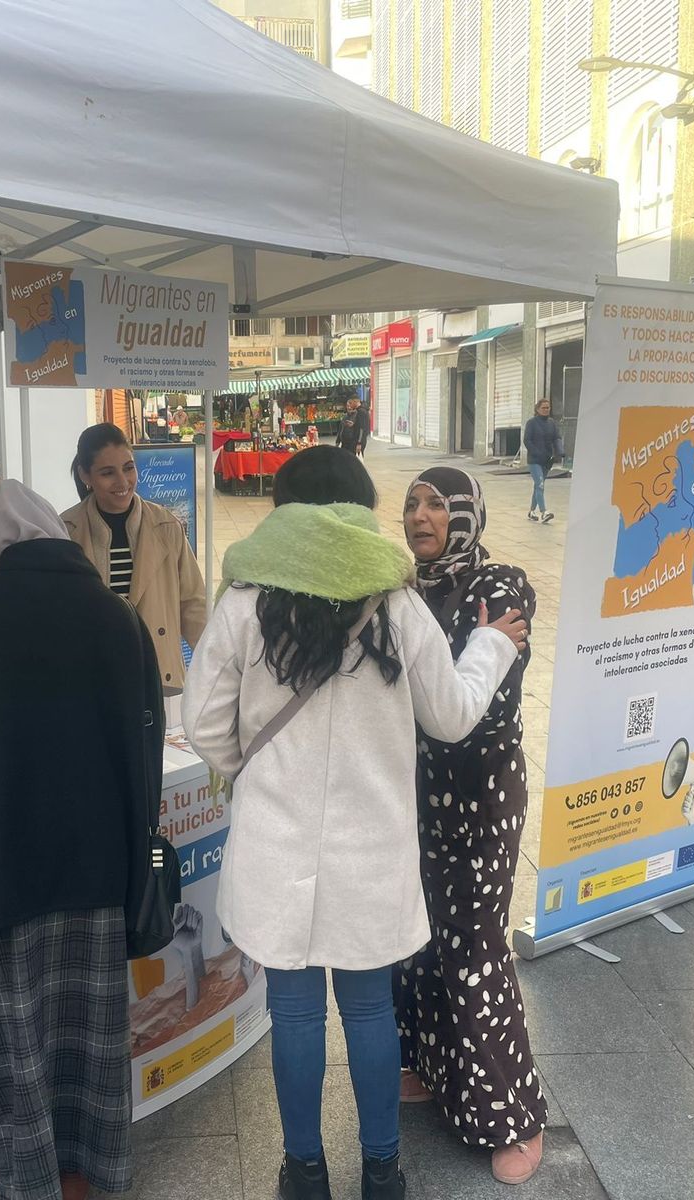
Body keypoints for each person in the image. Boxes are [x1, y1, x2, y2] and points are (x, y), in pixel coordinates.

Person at [183, 447, 528, 1200]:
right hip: (373, 850)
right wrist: (495, 642)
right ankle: (383, 1170)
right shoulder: (396, 604)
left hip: (277, 846)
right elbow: (452, 716)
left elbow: (205, 727)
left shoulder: (246, 601)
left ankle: (304, 1170)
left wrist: (260, 773)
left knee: (296, 1012)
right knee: (369, 1008)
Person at [0, 480, 163, 1200]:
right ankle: (85, 1169)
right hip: (96, 870)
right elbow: (146, 756)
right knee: (87, 1030)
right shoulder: (115, 619)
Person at [395, 467, 549, 1187]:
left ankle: (512, 1113)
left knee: (476, 946)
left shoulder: (503, 584)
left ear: (465, 515)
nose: (420, 516)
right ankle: (429, 1068)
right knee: (419, 940)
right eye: (411, 504)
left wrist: (473, 652)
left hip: (480, 798)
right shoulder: (402, 591)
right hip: (416, 795)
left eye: (435, 504)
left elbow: (474, 705)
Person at [62, 423, 208, 690]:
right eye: (108, 473)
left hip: (155, 670)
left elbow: (193, 602)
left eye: (129, 468)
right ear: (86, 475)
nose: (123, 482)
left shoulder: (166, 525)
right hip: (92, 674)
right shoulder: (65, 530)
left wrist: (217, 666)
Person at [522, 399, 564, 524]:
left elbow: (557, 438)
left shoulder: (552, 423)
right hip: (535, 460)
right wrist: (536, 452)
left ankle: (531, 511)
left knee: (538, 486)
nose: (546, 410)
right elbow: (527, 440)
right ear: (537, 409)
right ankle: (544, 512)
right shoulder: (531, 423)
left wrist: (559, 451)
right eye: (543, 408)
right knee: (540, 484)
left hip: (547, 460)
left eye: (548, 407)